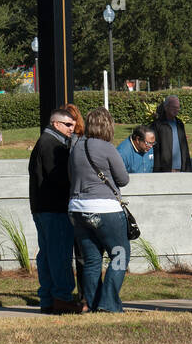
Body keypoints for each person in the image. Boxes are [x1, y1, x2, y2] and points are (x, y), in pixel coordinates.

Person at [68, 107, 131, 314]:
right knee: (120, 254)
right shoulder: (107, 147)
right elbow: (123, 179)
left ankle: (94, 304)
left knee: (92, 260)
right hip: (105, 209)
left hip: (78, 209)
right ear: (108, 126)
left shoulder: (76, 146)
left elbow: (71, 175)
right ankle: (109, 304)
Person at [28, 106, 79, 314]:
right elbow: (58, 177)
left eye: (73, 126)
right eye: (68, 125)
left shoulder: (46, 142)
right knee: (59, 255)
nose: (71, 129)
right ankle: (62, 297)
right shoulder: (51, 144)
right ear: (55, 124)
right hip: (54, 208)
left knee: (48, 255)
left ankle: (48, 299)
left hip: (43, 207)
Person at [153, 95, 191, 173]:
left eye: (178, 107)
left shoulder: (179, 123)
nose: (176, 110)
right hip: (165, 169)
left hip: (181, 168)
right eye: (173, 107)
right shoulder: (158, 125)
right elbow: (155, 148)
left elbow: (184, 147)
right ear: (166, 107)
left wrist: (187, 166)